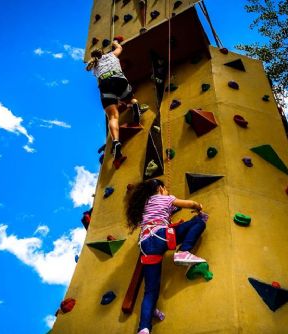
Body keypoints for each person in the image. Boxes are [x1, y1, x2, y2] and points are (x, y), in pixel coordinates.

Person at [126, 179, 208, 334]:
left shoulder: (144, 205)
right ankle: (184, 251)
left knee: (151, 291)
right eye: (165, 189)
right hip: (160, 236)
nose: (167, 192)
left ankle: (144, 328)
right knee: (198, 223)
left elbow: (163, 212)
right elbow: (189, 204)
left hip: (145, 245)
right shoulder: (166, 198)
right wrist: (198, 207)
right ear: (160, 188)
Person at [86, 39, 141, 162]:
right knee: (130, 98)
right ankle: (135, 105)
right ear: (102, 52)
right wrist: (115, 42)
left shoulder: (94, 66)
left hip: (105, 85)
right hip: (118, 79)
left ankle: (116, 142)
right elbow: (120, 48)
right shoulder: (111, 55)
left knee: (113, 117)